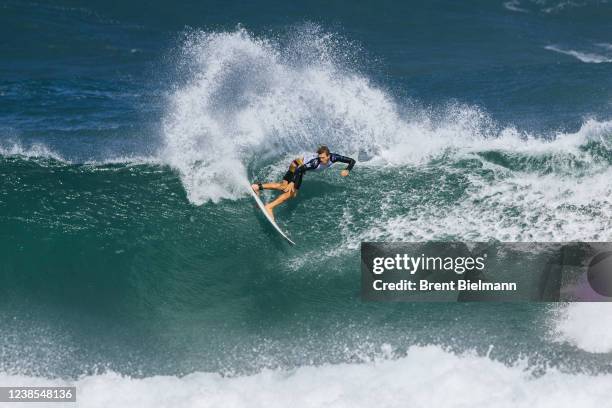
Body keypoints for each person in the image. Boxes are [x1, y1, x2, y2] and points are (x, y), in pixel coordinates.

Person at [251, 145, 356, 220]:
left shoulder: (335, 157)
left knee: (283, 186)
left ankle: (257, 187)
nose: (321, 159)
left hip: (298, 164)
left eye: (323, 157)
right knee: (291, 193)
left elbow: (352, 161)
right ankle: (270, 207)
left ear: (329, 156)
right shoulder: (315, 163)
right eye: (319, 157)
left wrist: (347, 169)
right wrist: (292, 182)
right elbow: (299, 170)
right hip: (297, 166)